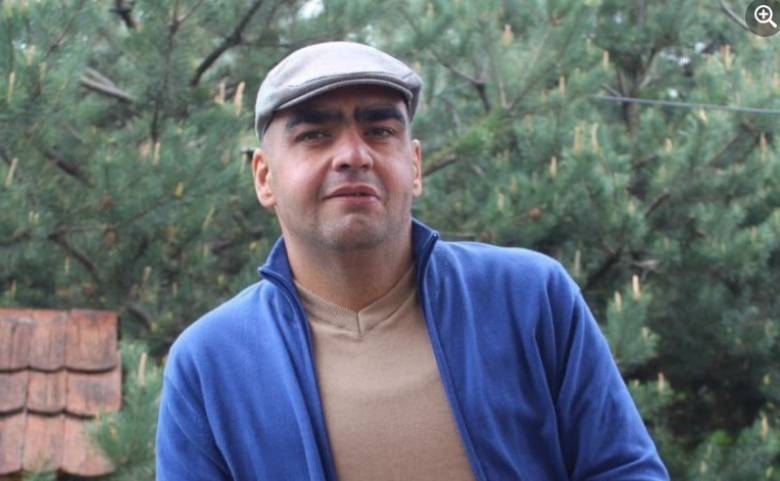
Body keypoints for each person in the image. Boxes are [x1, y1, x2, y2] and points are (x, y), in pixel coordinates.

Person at [155, 42, 669, 481]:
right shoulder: (209, 363)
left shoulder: (529, 298)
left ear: (415, 165)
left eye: (380, 131)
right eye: (315, 135)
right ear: (264, 177)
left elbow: (624, 469)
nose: (353, 154)